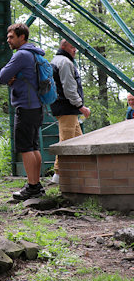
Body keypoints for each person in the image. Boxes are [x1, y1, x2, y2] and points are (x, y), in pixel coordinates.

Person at [0, 23, 45, 200]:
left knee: (25, 147)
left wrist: (10, 76)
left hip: (25, 106)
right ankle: (36, 184)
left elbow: (2, 76)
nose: (8, 40)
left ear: (22, 37)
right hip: (36, 106)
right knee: (33, 146)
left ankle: (32, 186)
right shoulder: (34, 53)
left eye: (11, 37)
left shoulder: (21, 55)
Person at [50, 39, 91, 183]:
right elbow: (69, 88)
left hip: (64, 107)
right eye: (72, 47)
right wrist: (80, 106)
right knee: (66, 141)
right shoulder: (65, 63)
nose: (75, 50)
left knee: (78, 139)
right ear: (63, 46)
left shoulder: (57, 60)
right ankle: (58, 175)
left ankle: (81, 172)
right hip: (66, 106)